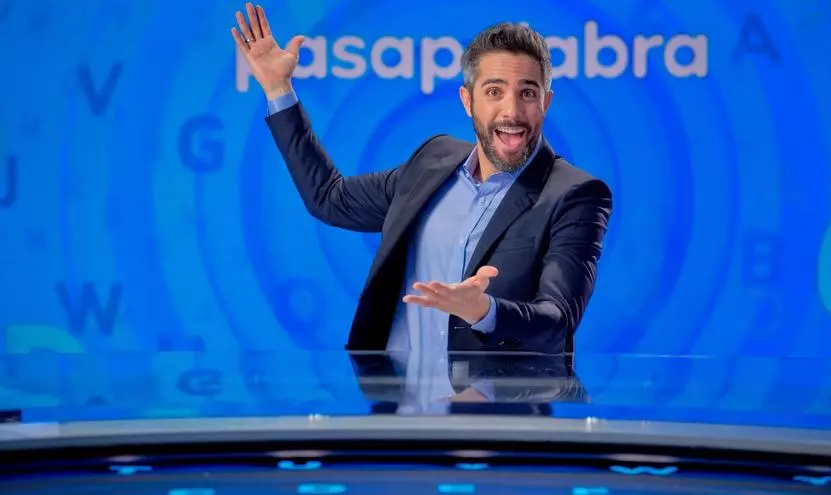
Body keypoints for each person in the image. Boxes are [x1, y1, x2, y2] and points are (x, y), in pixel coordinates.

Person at [232, 3, 612, 354]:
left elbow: (557, 321)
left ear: (546, 103)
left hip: (491, 402)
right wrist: (278, 90)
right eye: (494, 91)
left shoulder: (576, 194)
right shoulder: (433, 160)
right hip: (394, 398)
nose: (511, 111)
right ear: (467, 101)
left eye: (527, 93)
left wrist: (485, 311)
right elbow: (330, 199)